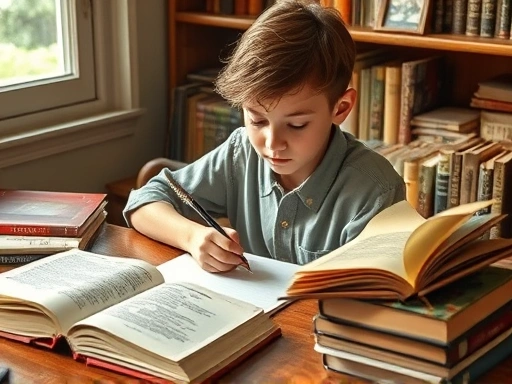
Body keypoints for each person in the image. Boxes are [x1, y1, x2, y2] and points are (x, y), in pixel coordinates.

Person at [123, 0, 405, 273]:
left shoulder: (375, 191)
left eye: (296, 125)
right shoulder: (241, 152)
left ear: (340, 108)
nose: (272, 144)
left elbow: (371, 298)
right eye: (257, 120)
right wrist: (193, 237)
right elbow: (144, 202)